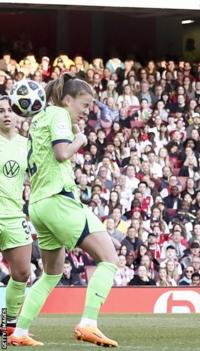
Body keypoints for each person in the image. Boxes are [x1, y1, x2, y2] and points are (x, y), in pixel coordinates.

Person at [9, 73, 119, 347]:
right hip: (59, 199)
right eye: (84, 104)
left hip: (38, 205)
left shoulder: (39, 119)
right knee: (109, 258)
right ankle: (88, 323)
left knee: (52, 273)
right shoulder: (58, 113)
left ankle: (19, 332)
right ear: (67, 99)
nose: (86, 111)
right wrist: (79, 141)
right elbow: (61, 153)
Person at [0, 96, 34, 335]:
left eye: (10, 110)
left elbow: (36, 175)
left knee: (22, 273)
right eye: (0, 111)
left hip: (13, 214)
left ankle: (8, 327)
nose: (6, 114)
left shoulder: (26, 144)